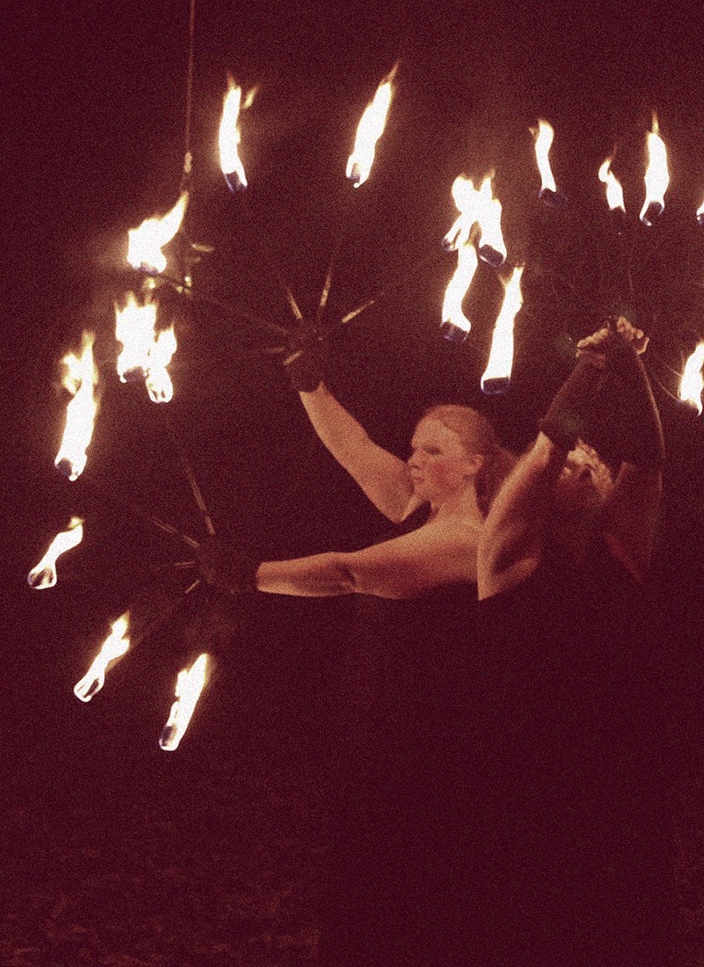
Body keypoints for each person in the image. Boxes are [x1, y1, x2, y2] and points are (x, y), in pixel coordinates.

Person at [199, 329, 514, 967]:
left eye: (433, 450)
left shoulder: (469, 538)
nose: (415, 459)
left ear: (474, 465)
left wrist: (252, 574)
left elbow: (348, 571)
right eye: (414, 448)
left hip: (428, 741)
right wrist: (306, 379)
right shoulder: (417, 509)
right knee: (363, 872)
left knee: (406, 886)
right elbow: (355, 447)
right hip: (379, 727)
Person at [471, 317, 674, 965]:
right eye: (577, 461)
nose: (590, 461)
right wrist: (591, 365)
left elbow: (648, 457)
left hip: (623, 785)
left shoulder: (622, 549)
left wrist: (631, 364)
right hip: (531, 790)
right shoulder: (505, 556)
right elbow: (549, 445)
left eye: (596, 460)